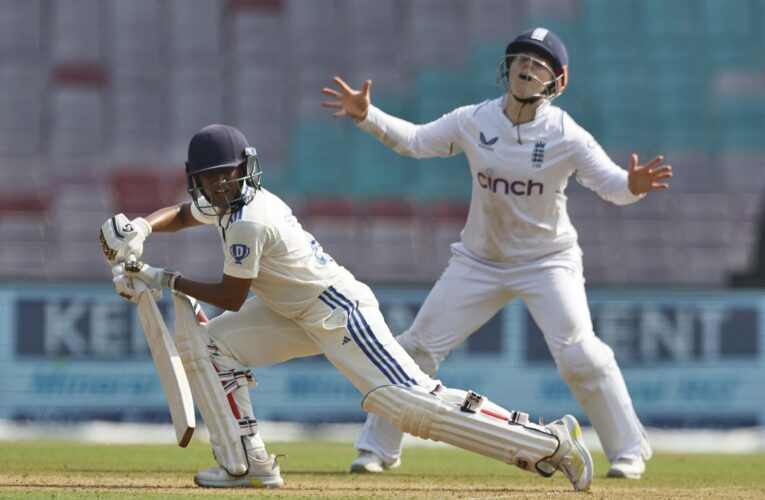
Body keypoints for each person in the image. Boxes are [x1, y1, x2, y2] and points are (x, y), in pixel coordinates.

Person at [99, 123, 595, 491]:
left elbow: (232, 297)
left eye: (229, 176)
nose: (222, 186)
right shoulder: (220, 202)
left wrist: (164, 278)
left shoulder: (249, 217)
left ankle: (547, 442)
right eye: (212, 180)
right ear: (199, 181)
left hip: (336, 310)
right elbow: (184, 216)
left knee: (406, 404)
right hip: (289, 311)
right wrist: (142, 227)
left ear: (245, 170)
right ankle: (249, 463)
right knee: (213, 348)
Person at [322, 27, 672, 480]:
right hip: (478, 261)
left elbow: (610, 184)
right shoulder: (475, 120)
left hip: (547, 261)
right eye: (519, 60)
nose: (525, 69)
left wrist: (632, 186)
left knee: (580, 355)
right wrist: (368, 116)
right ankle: (376, 449)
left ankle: (628, 451)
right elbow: (414, 140)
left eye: (538, 63)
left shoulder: (567, 134)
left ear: (558, 82)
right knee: (415, 349)